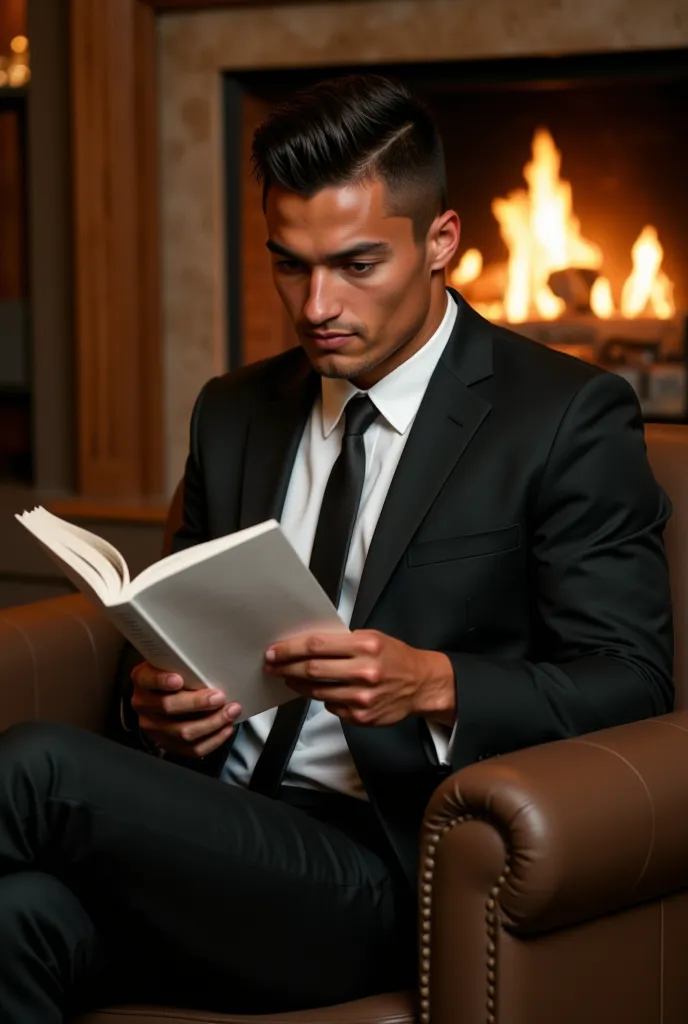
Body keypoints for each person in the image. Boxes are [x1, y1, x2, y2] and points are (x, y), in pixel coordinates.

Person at [0, 74, 673, 1021]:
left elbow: (634, 684)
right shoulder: (235, 411)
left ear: (441, 244)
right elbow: (164, 640)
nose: (316, 305)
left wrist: (434, 682)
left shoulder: (562, 418)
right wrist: (156, 707)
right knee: (16, 913)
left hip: (383, 866)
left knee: (36, 766)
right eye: (290, 265)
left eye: (358, 265)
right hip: (209, 827)